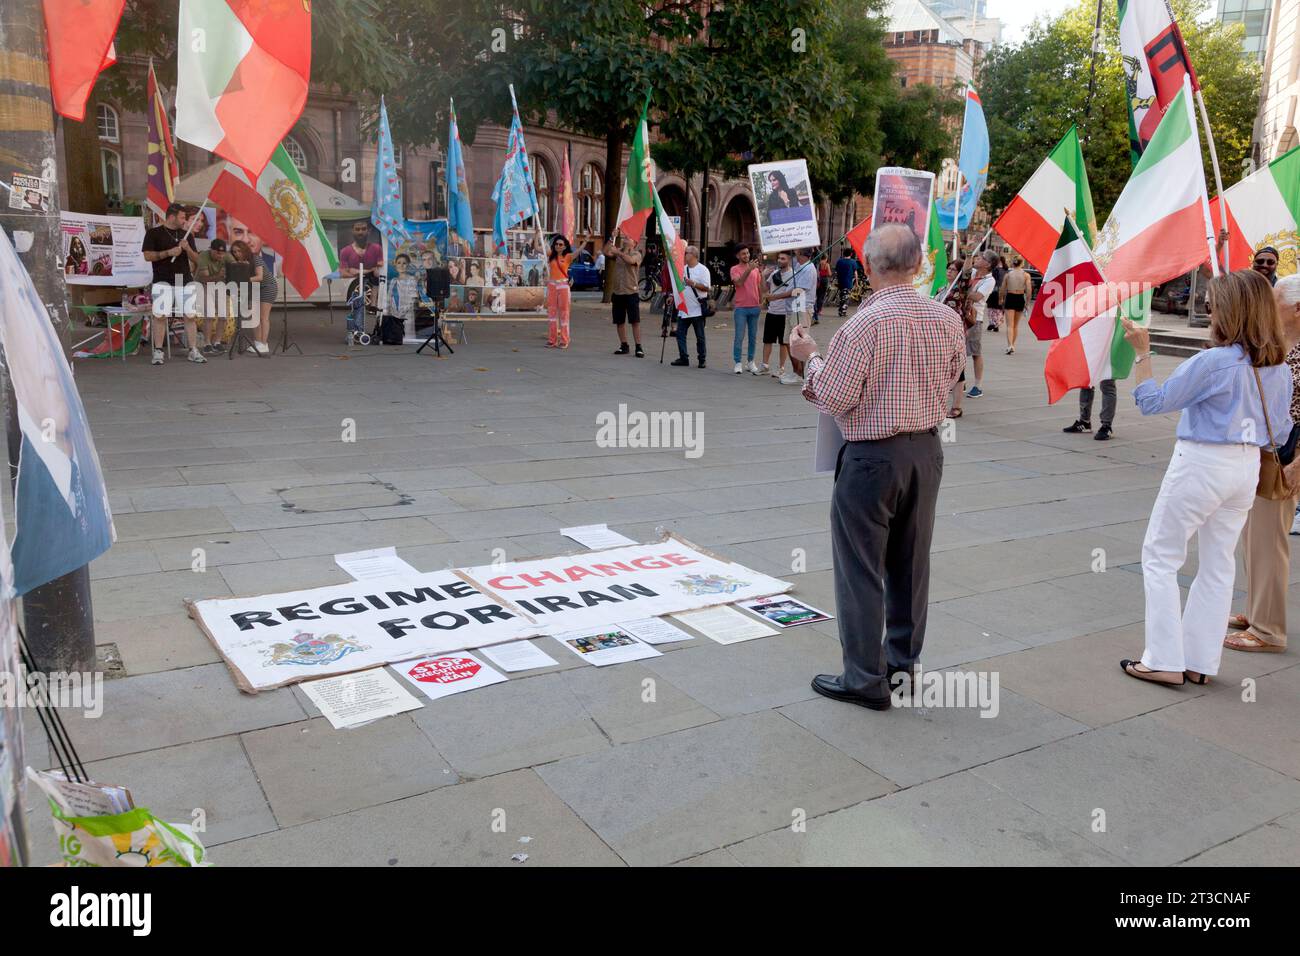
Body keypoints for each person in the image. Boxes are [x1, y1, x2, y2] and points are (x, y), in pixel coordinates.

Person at [788, 224, 965, 710]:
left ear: (869, 267)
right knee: (911, 564)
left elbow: (835, 395)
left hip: (872, 458)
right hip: (926, 452)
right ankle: (901, 669)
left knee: (861, 569)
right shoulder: (946, 317)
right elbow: (954, 377)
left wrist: (809, 357)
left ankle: (865, 679)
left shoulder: (863, 325)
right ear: (918, 266)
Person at [1120, 269, 1292, 687]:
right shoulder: (1277, 365)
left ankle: (1163, 659)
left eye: (1214, 302)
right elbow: (1283, 431)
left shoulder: (1214, 361)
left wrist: (1143, 353)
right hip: (1246, 466)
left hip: (1202, 462)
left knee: (1160, 556)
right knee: (1218, 563)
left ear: (1228, 310)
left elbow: (1153, 402)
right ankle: (1199, 660)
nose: (1209, 307)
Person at [1225, 274, 1300, 654]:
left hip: (1286, 458)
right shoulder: (1283, 344)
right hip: (1264, 453)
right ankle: (1256, 610)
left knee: (1269, 542)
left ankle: (1268, 630)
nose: (1269, 306)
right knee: (1253, 538)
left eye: (1276, 301)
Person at [141, 201, 204, 365]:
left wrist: (187, 248)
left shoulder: (187, 235)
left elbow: (198, 260)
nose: (185, 221)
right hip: (162, 280)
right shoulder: (154, 233)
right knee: (160, 315)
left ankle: (193, 350)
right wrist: (169, 252)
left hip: (185, 280)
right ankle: (159, 350)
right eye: (182, 217)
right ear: (172, 216)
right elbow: (147, 256)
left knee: (190, 315)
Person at [761, 251, 800, 384]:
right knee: (767, 340)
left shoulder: (793, 275)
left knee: (783, 342)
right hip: (772, 312)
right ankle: (764, 365)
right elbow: (764, 291)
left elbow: (795, 292)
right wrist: (762, 275)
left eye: (783, 258)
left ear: (789, 260)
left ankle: (781, 368)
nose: (779, 260)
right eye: (778, 258)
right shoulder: (773, 274)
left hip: (785, 313)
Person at [671, 245, 711, 368]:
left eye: (686, 253)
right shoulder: (682, 269)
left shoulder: (703, 270)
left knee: (700, 336)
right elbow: (679, 287)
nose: (684, 255)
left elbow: (706, 288)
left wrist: (693, 283)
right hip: (684, 308)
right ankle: (684, 357)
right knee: (680, 334)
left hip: (697, 309)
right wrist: (671, 296)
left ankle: (702, 359)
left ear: (694, 255)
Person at [963, 251, 996, 398]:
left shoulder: (989, 280)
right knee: (959, 351)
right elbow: (964, 272)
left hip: (974, 318)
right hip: (961, 315)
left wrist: (962, 291)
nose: (977, 258)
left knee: (975, 352)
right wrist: (969, 255)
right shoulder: (973, 272)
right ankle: (960, 381)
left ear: (988, 264)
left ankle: (978, 385)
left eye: (981, 258)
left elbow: (977, 297)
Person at [606, 233, 644, 357]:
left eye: (629, 237)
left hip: (631, 292)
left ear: (634, 243)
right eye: (625, 237)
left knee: (634, 321)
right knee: (619, 320)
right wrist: (611, 238)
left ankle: (638, 347)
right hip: (617, 291)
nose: (625, 238)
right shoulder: (618, 252)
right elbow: (606, 252)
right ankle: (624, 345)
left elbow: (630, 261)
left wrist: (619, 253)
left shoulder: (636, 254)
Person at [194, 237, 233, 354]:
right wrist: (219, 275)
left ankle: (217, 342)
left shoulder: (226, 256)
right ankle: (207, 343)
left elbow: (235, 266)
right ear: (211, 250)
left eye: (222, 253)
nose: (220, 256)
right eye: (217, 253)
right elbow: (205, 279)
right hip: (203, 285)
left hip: (220, 285)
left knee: (223, 315)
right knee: (209, 314)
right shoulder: (203, 257)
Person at [730, 245, 763, 374]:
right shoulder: (735, 269)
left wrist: (761, 302)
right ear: (738, 256)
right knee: (739, 336)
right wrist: (749, 269)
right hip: (741, 308)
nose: (747, 256)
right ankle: (738, 362)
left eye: (748, 253)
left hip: (755, 307)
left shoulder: (755, 270)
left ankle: (750, 361)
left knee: (753, 337)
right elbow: (738, 283)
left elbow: (759, 286)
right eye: (743, 254)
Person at [246, 232, 276, 354]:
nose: (237, 254)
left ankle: (264, 343)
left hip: (268, 287)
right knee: (254, 317)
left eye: (239, 251)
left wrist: (244, 279)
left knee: (264, 317)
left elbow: (259, 277)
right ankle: (257, 343)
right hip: (256, 288)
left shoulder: (255, 258)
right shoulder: (245, 261)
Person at [338, 220, 383, 298]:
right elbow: (343, 273)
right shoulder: (345, 251)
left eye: (363, 229)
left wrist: (357, 271)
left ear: (369, 231)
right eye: (357, 229)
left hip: (374, 294)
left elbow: (379, 271)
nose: (360, 232)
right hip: (354, 293)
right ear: (352, 231)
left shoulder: (377, 248)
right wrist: (370, 271)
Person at [546, 235, 574, 349]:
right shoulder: (551, 256)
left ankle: (564, 340)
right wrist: (537, 234)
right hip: (552, 285)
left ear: (565, 246)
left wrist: (586, 240)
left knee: (564, 313)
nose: (558, 246)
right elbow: (538, 248)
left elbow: (578, 252)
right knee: (552, 314)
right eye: (556, 244)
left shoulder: (567, 256)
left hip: (563, 286)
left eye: (560, 244)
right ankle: (552, 340)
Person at [1001, 256, 1031, 355]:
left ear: (1013, 263)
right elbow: (1029, 289)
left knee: (1009, 325)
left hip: (1010, 297)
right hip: (1020, 297)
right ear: (1022, 263)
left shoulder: (1008, 274)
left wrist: (1000, 298)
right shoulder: (1026, 275)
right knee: (1015, 325)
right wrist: (1027, 302)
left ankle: (1010, 345)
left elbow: (1002, 288)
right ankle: (1012, 345)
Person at [836, 247, 863, 317]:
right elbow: (855, 273)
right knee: (846, 297)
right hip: (848, 282)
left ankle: (840, 310)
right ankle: (842, 311)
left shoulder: (839, 261)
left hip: (840, 281)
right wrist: (856, 282)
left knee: (842, 295)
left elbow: (836, 271)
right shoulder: (853, 262)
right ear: (851, 254)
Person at [985, 253, 1006, 333]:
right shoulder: (1005, 271)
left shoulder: (993, 270)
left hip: (992, 291)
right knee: (999, 309)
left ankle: (992, 323)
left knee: (991, 308)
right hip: (1001, 292)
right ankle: (996, 323)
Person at [814, 252, 831, 326]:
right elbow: (829, 273)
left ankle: (816, 308)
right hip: (824, 280)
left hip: (818, 280)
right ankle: (819, 310)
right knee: (822, 295)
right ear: (826, 258)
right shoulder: (827, 265)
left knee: (817, 295)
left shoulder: (818, 265)